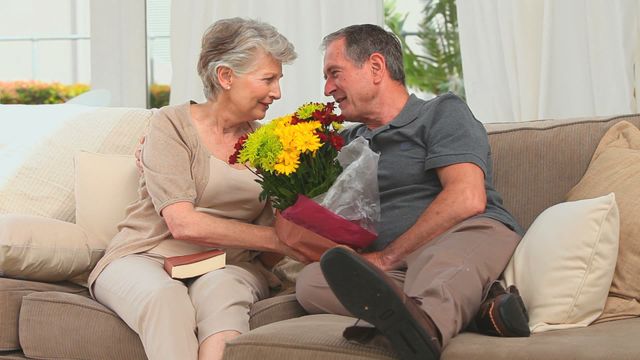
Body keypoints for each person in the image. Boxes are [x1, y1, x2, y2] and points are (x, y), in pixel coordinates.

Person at [294, 24, 527, 360]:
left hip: (463, 234)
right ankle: (476, 307)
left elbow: (467, 198)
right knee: (313, 281)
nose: (328, 88)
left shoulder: (441, 112)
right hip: (401, 268)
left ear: (375, 67)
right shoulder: (344, 143)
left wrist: (387, 257)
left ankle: (421, 335)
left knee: (443, 261)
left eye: (335, 73)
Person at [88, 18, 304, 360]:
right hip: (145, 255)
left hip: (228, 265)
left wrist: (288, 232)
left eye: (278, 79)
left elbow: (276, 237)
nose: (278, 92)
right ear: (225, 76)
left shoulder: (271, 145)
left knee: (224, 296)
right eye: (268, 79)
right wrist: (279, 240)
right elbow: (182, 223)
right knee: (165, 298)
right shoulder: (170, 125)